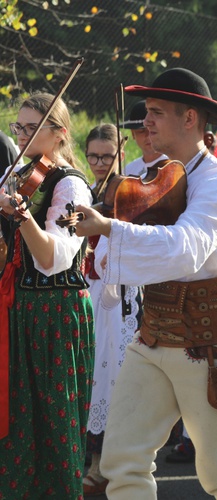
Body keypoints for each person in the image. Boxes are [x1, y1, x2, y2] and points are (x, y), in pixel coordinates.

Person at [73, 67, 217, 499]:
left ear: (190, 119)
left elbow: (186, 248)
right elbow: (113, 262)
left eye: (157, 113)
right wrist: (104, 231)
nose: (146, 122)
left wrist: (110, 229)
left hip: (209, 339)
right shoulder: (146, 174)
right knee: (122, 461)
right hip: (153, 332)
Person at [0, 92, 95, 498]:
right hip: (21, 310)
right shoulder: (16, 175)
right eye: (17, 127)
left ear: (58, 134)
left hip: (56, 314)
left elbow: (53, 258)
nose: (20, 135)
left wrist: (21, 218)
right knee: (20, 422)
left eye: (30, 128)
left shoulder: (71, 186)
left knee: (56, 425)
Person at [81, 124, 143, 496]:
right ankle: (93, 455)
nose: (101, 163)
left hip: (119, 291)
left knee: (115, 372)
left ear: (120, 153)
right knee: (93, 368)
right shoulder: (86, 191)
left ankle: (109, 460)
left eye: (107, 156)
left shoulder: (130, 192)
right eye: (93, 156)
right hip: (90, 289)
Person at [122, 100, 168, 177]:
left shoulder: (172, 165)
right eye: (141, 131)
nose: (148, 135)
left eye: (152, 130)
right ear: (133, 134)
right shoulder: (128, 171)